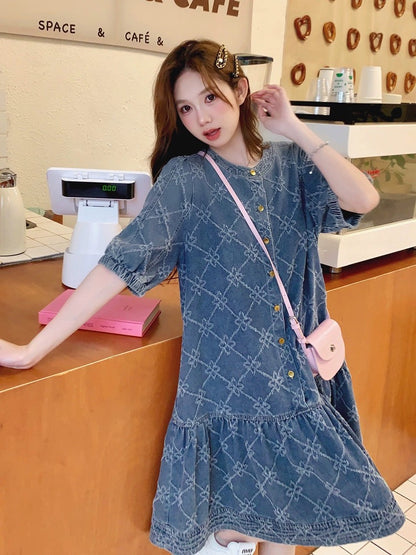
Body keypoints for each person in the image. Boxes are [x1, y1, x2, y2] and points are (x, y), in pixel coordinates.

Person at [0, 39, 405, 555]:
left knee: (283, 530)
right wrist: (33, 349)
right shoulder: (186, 181)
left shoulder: (292, 166)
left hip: (296, 380)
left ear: (241, 90)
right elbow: (116, 267)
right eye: (186, 108)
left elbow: (364, 198)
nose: (201, 118)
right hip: (228, 391)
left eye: (210, 97)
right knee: (236, 531)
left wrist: (294, 128)